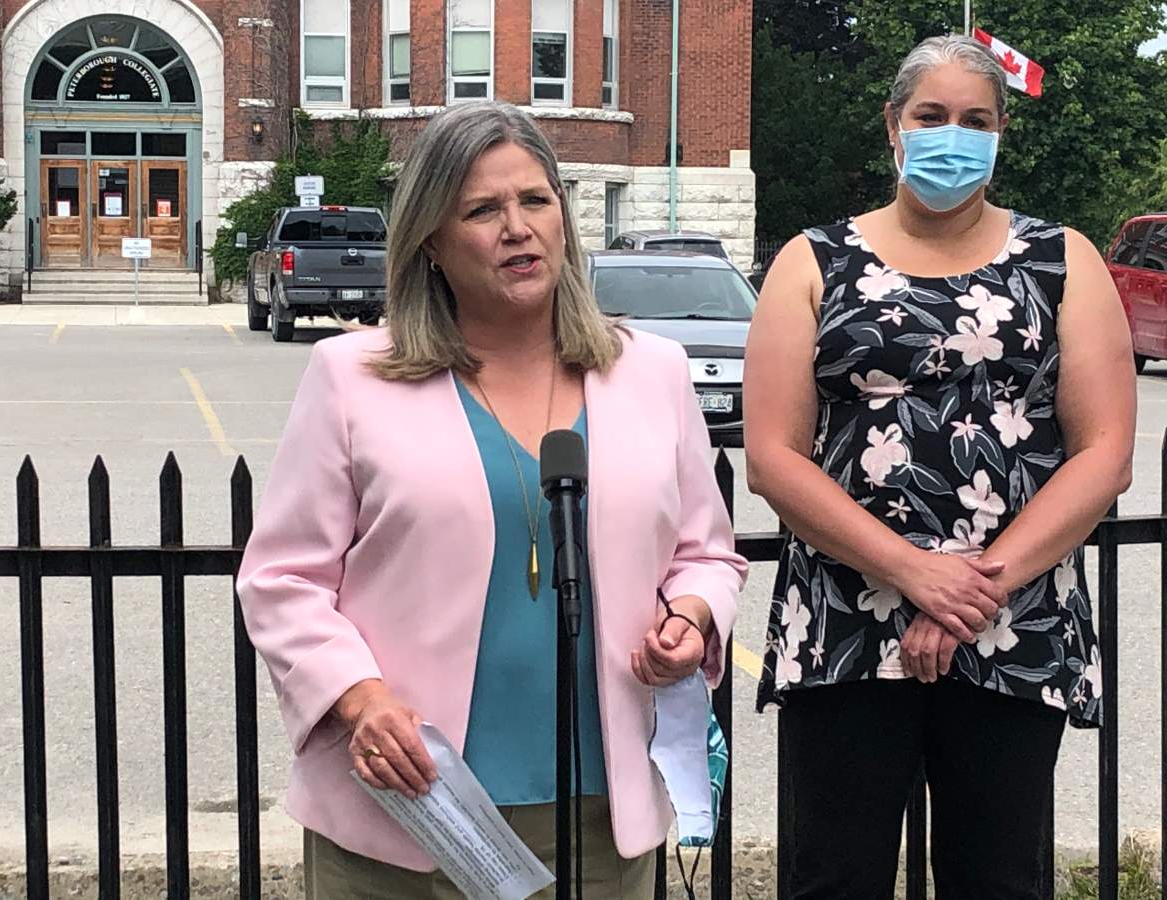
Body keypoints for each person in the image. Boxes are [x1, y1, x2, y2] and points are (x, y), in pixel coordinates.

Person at [236, 101, 747, 899]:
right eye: (482, 210)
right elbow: (282, 581)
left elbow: (705, 553)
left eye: (536, 200)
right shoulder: (350, 377)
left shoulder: (653, 372)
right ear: (432, 242)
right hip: (410, 811)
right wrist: (359, 701)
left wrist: (691, 617)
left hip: (600, 812)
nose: (518, 228)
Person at [744, 34, 1135, 899]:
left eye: (975, 120)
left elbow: (1104, 454)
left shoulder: (1063, 260)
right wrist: (912, 572)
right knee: (832, 878)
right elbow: (773, 456)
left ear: (1000, 134)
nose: (951, 135)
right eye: (931, 116)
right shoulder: (812, 262)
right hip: (845, 625)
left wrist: (969, 588)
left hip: (1011, 623)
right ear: (893, 126)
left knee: (999, 879)